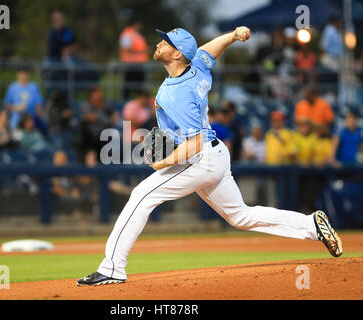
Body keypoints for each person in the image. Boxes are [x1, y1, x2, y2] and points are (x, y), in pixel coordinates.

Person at [77, 26, 343, 286]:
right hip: (214, 154)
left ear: (178, 54)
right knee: (240, 216)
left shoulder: (176, 94)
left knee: (142, 195)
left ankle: (111, 268)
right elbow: (207, 51)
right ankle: (311, 225)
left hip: (200, 157)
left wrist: (162, 163)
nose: (159, 44)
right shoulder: (197, 68)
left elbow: (192, 145)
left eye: (166, 42)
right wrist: (233, 36)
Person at [74, 86, 119, 157]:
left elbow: (114, 116)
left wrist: (112, 117)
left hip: (104, 138)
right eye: (97, 94)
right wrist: (105, 119)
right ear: (92, 95)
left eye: (100, 94)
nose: (99, 96)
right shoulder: (86, 105)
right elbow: (91, 117)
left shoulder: (105, 106)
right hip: (90, 140)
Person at [119, 19, 149, 100]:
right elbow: (125, 49)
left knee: (139, 88)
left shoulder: (136, 35)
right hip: (130, 65)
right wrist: (142, 51)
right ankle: (124, 103)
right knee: (128, 88)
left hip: (138, 65)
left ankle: (139, 105)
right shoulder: (127, 34)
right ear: (135, 24)